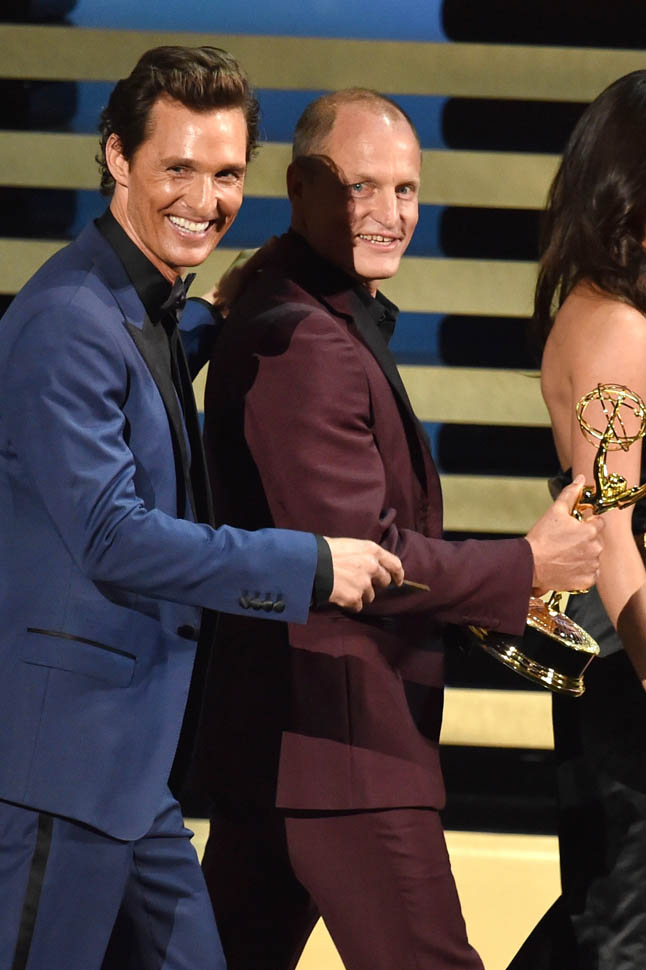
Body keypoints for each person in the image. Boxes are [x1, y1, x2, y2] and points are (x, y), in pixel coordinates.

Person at [0, 49, 405, 970]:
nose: (205, 198)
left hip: (133, 776)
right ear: (117, 158)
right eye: (177, 167)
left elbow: (147, 367)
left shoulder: (139, 310)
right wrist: (306, 564)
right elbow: (112, 535)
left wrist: (216, 322)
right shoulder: (69, 317)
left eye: (226, 174)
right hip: (61, 770)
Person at [192, 88, 605, 970]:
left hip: (292, 737)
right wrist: (526, 565)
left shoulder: (289, 301)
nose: (387, 216)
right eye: (359, 188)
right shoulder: (304, 339)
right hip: (342, 742)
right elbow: (360, 556)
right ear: (301, 186)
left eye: (405, 191)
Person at [507, 71, 646, 970]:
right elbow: (611, 529)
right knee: (625, 911)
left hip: (617, 635)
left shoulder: (600, 311)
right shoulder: (617, 328)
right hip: (628, 636)